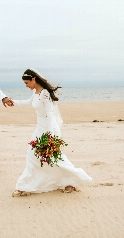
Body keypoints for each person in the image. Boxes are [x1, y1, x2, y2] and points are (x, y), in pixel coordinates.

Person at [11, 68, 92, 196]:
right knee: (32, 155)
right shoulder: (36, 92)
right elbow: (29, 102)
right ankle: (25, 185)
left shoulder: (45, 94)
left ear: (33, 79)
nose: (26, 86)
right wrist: (13, 102)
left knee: (55, 158)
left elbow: (50, 115)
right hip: (40, 128)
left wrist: (50, 136)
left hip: (50, 130)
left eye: (27, 83)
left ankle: (71, 181)